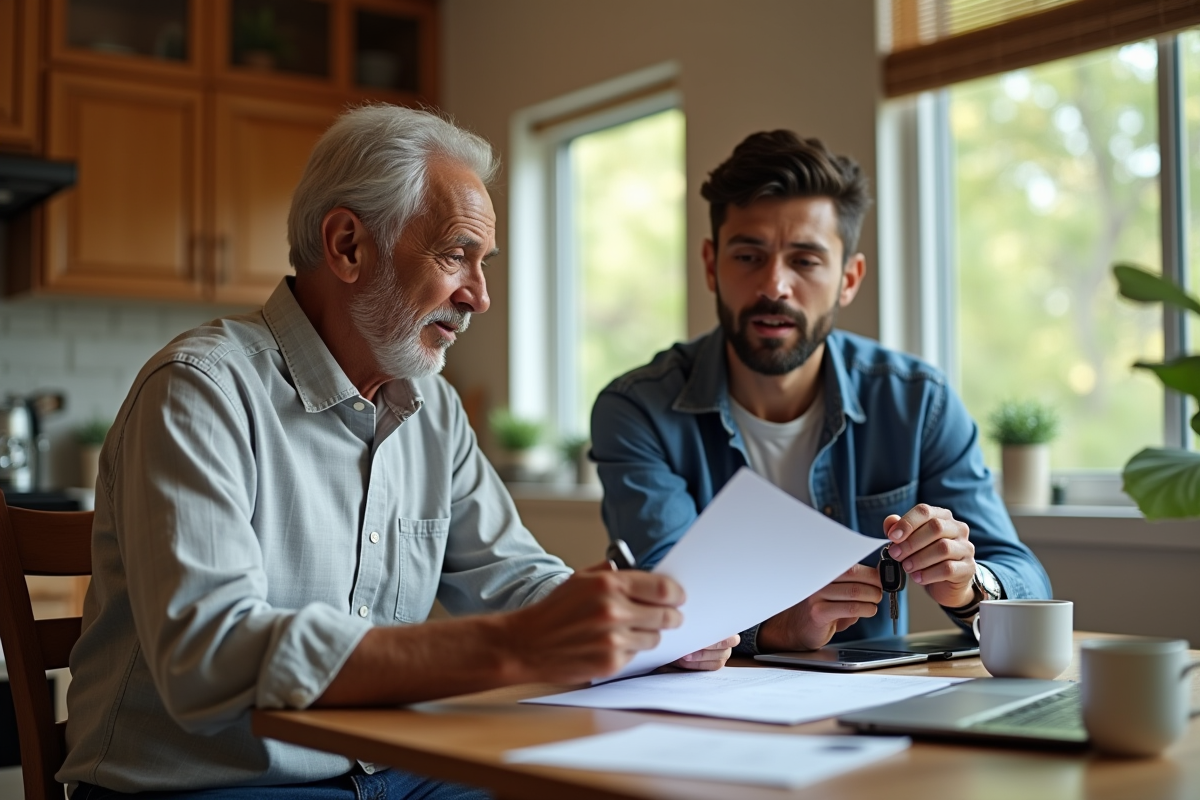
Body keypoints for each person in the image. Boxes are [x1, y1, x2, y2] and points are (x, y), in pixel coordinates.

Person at [59, 105, 737, 800]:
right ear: (348, 245)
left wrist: (644, 629)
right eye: (455, 255)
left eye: (483, 263)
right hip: (213, 781)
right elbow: (209, 657)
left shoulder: (432, 407)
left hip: (392, 768)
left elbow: (511, 577)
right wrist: (517, 646)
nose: (480, 296)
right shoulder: (200, 391)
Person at [590, 130, 1051, 655]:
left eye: (805, 260)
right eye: (748, 256)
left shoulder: (918, 402)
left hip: (872, 711)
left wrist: (969, 587)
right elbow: (659, 602)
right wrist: (776, 630)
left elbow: (1025, 580)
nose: (774, 286)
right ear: (711, 264)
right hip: (701, 709)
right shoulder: (636, 410)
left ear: (848, 278)